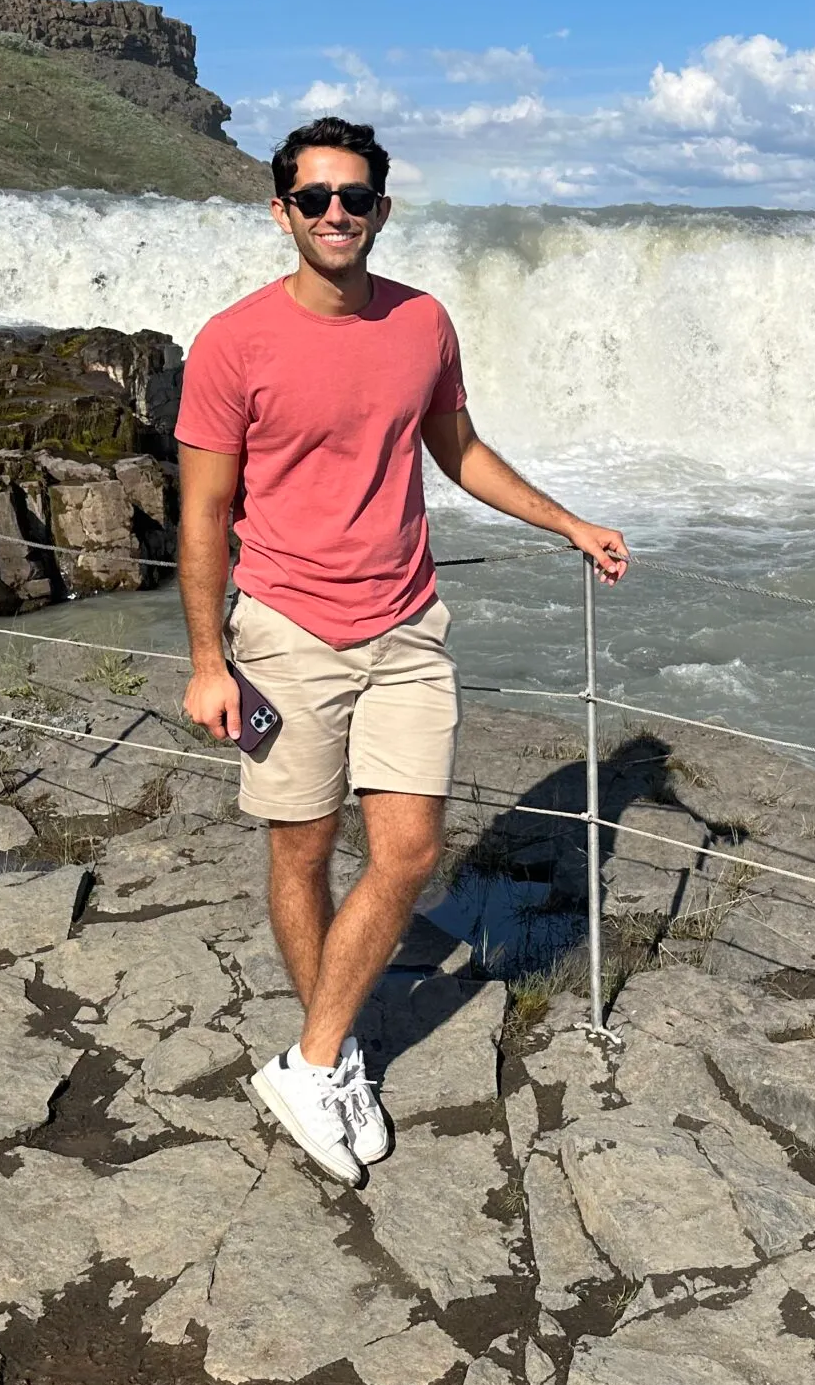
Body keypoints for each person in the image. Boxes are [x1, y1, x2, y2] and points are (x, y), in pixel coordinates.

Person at [175, 115, 629, 1185]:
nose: (339, 214)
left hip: (406, 625)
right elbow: (202, 514)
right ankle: (332, 1051)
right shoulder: (233, 342)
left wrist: (567, 523)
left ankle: (313, 1057)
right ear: (282, 210)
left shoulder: (422, 322)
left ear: (382, 207)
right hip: (285, 628)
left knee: (412, 853)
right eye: (317, 198)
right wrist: (206, 660)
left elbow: (456, 449)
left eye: (357, 197)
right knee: (301, 851)